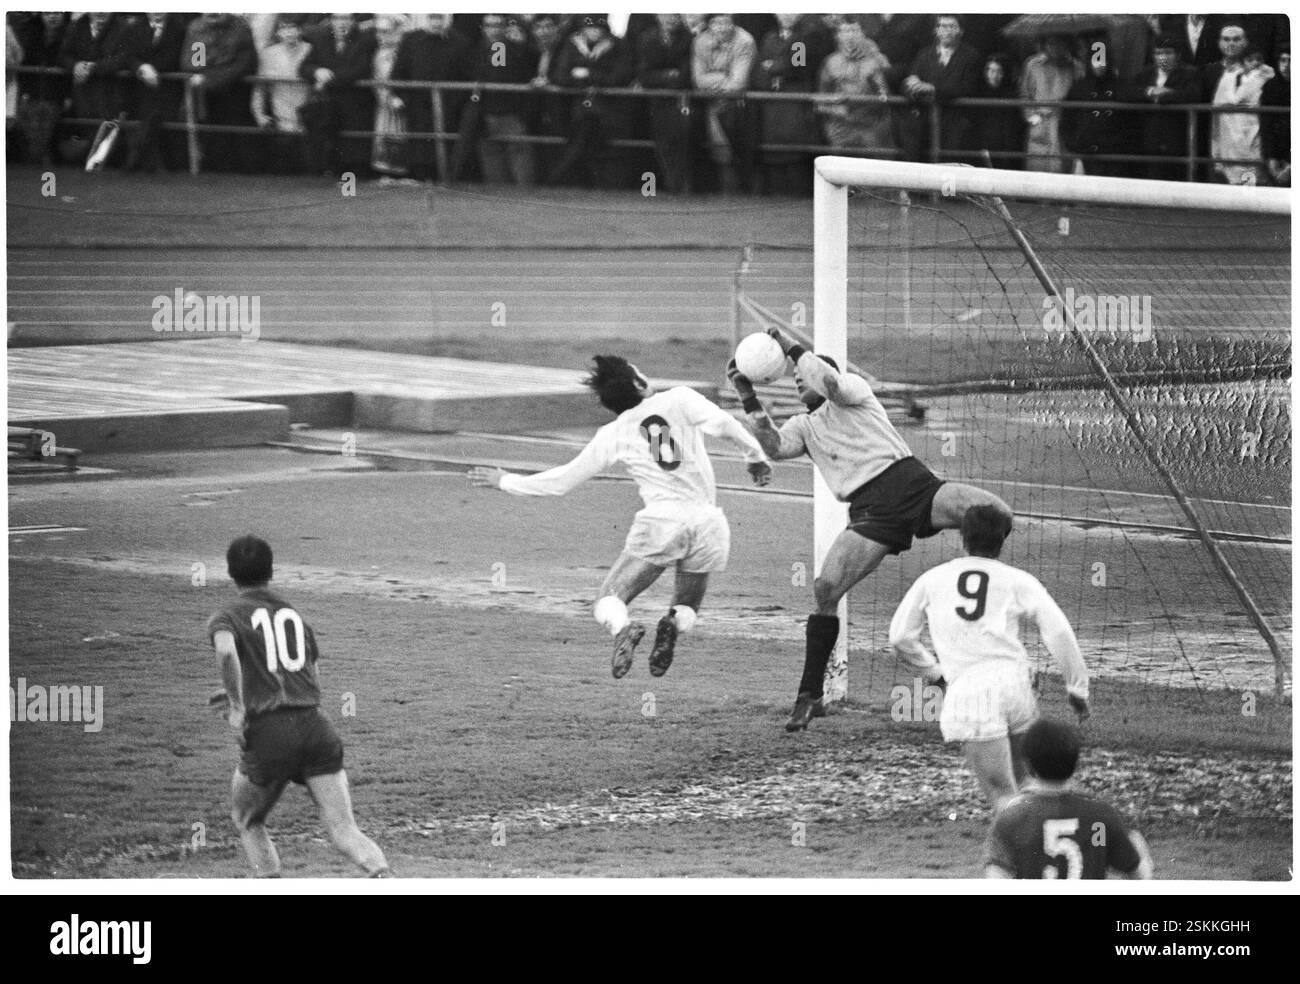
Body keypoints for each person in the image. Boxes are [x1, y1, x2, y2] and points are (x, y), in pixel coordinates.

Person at [729, 328, 1012, 732]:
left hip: (914, 485)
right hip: (871, 511)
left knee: (995, 513)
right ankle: (810, 696)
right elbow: (773, 447)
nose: (798, 380)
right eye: (794, 379)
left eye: (802, 374)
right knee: (826, 588)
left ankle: (986, 619)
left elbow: (827, 381)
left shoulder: (852, 391)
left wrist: (793, 349)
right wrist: (745, 392)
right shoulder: (804, 427)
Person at [470, 356, 772, 679]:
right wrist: (754, 456)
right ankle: (671, 624)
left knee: (608, 599)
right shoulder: (681, 397)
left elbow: (563, 480)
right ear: (640, 384)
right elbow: (725, 425)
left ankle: (623, 631)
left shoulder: (613, 433)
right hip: (709, 523)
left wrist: (505, 480)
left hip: (662, 522)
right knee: (686, 606)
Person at [208, 535, 390, 878]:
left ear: (230, 572)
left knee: (248, 819)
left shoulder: (228, 615)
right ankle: (387, 879)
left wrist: (237, 705)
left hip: (271, 734)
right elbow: (307, 675)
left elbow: (226, 651)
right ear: (272, 571)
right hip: (315, 726)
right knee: (343, 829)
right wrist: (248, 689)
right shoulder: (292, 614)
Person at [888, 505, 1090, 811]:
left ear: (962, 537)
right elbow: (1059, 631)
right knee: (1029, 787)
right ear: (1003, 539)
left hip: (971, 690)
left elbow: (900, 638)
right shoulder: (1018, 579)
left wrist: (935, 674)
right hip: (1016, 685)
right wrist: (1077, 687)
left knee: (1003, 796)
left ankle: (1020, 855)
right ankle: (1046, 850)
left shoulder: (932, 579)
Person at [984, 718, 1153, 879]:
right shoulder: (1101, 819)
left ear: (1028, 766)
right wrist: (1139, 847)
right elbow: (1139, 875)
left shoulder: (1012, 819)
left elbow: (996, 880)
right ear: (1075, 763)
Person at [898, 14, 982, 164]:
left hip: (955, 122)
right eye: (943, 26)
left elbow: (967, 87)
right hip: (926, 121)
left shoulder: (971, 56)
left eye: (952, 26)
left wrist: (932, 88)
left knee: (950, 167)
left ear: (960, 31)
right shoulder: (924, 55)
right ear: (936, 30)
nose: (947, 31)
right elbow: (908, 83)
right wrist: (912, 86)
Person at [1204, 22, 1271, 185]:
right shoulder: (1210, 71)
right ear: (1219, 43)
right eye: (1226, 39)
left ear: (1245, 41)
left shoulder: (1262, 72)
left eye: (1236, 39)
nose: (1231, 44)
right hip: (1223, 141)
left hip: (1251, 140)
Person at [1124, 36, 1199, 181]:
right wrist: (1150, 92)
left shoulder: (1190, 73)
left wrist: (1165, 94)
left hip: (1177, 142)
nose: (1163, 57)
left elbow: (1192, 95)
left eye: (1168, 53)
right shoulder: (1145, 73)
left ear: (1178, 55)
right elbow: (1128, 92)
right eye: (1158, 53)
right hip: (1150, 141)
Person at [815, 20, 894, 154]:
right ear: (838, 35)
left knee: (873, 171)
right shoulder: (830, 62)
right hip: (840, 129)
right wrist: (833, 109)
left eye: (854, 31)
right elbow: (820, 100)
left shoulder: (877, 62)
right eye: (845, 31)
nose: (850, 36)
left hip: (871, 129)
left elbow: (886, 98)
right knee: (841, 171)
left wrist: (876, 89)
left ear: (862, 34)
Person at [1019, 34, 1082, 173]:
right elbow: (1025, 94)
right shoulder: (1033, 64)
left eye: (1059, 43)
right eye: (1050, 43)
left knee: (1061, 171)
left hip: (1063, 124)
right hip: (1040, 123)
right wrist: (1031, 117)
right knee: (1036, 170)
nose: (1054, 48)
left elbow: (1081, 97)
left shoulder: (1076, 67)